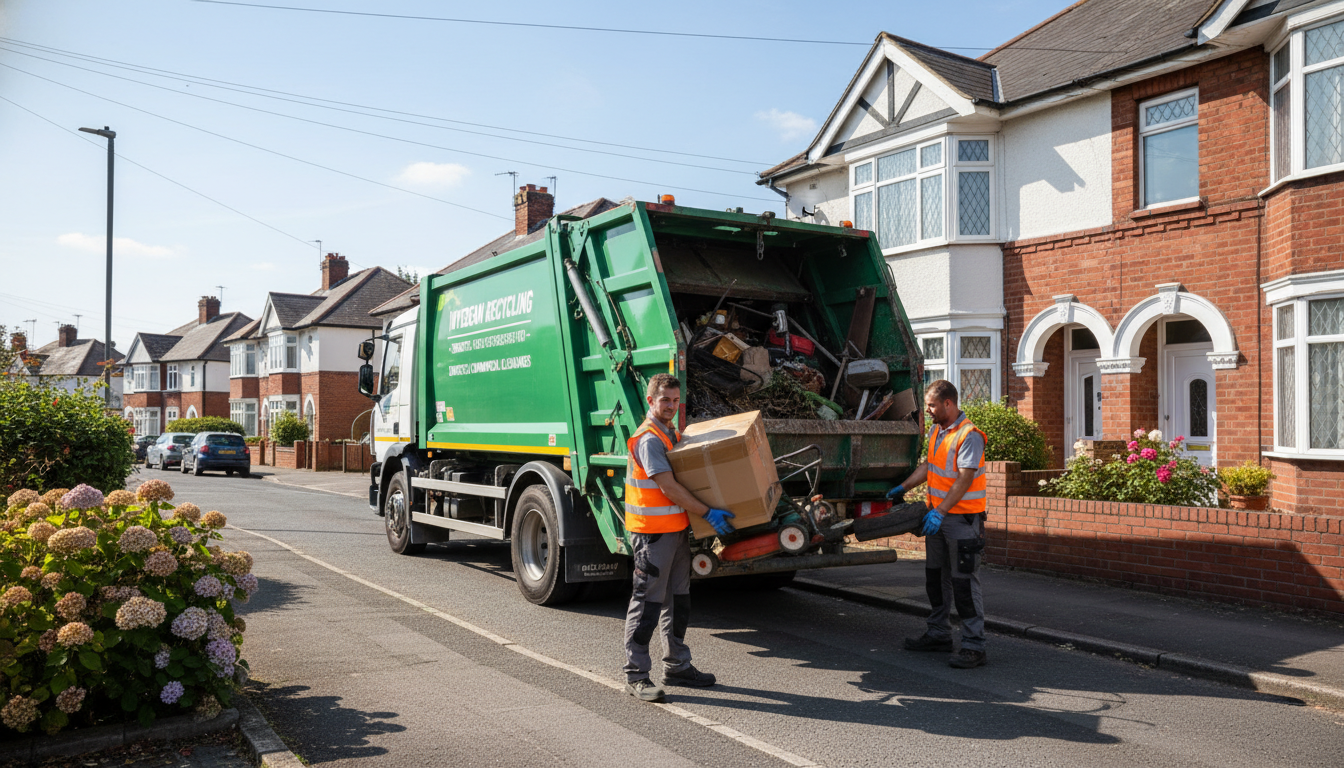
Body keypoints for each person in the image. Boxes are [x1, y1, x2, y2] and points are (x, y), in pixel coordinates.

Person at [622, 373, 737, 702]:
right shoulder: (649, 439)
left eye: (675, 400)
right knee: (647, 605)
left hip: (675, 532)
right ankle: (636, 675)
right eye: (665, 400)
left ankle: (677, 665)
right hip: (652, 535)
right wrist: (707, 512)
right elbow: (668, 486)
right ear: (650, 401)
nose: (671, 406)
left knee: (678, 601)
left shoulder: (670, 433)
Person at [886, 379, 989, 669]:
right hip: (939, 519)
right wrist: (903, 488)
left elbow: (964, 478)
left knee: (964, 584)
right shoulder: (936, 431)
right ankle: (939, 634)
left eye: (931, 405)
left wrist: (940, 511)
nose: (927, 410)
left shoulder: (970, 436)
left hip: (961, 521)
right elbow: (929, 466)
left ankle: (974, 646)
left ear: (948, 403)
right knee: (936, 579)